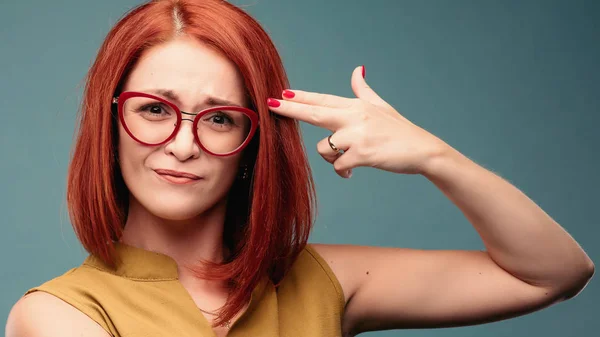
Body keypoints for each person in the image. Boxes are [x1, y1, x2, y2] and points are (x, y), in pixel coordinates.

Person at [5, 0, 594, 336]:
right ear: (108, 124)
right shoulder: (57, 314)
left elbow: (553, 273)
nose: (182, 145)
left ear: (255, 141)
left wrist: (432, 157)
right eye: (154, 110)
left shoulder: (321, 280)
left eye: (219, 118)